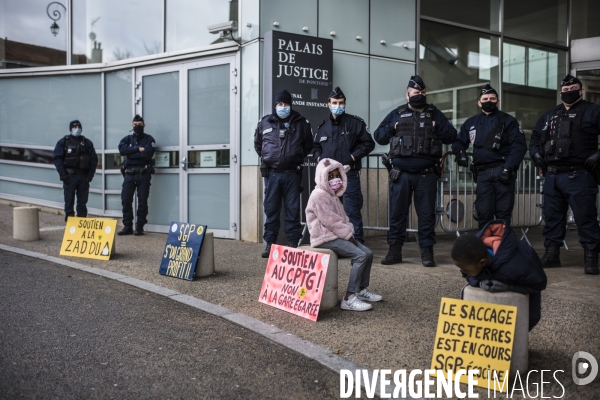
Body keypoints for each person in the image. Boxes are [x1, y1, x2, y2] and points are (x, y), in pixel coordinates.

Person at [374, 75, 457, 267]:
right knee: (397, 214)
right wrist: (393, 127)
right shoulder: (397, 114)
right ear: (407, 94)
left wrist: (437, 127)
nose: (418, 95)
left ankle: (427, 254)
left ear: (425, 93)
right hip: (400, 174)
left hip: (426, 174)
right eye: (415, 92)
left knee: (427, 215)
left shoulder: (435, 114)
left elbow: (452, 135)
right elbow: (379, 136)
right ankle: (394, 252)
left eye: (421, 92)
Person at [529, 74, 600, 275]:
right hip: (552, 176)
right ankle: (552, 255)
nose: (569, 93)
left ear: (581, 90)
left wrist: (598, 155)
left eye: (573, 89)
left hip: (580, 175)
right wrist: (535, 154)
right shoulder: (550, 114)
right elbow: (535, 137)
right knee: (552, 217)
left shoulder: (593, 111)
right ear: (560, 93)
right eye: (565, 91)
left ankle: (591, 258)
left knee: (585, 217)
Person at [306, 158, 383, 311]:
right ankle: (348, 298)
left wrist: (348, 231)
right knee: (360, 255)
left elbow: (343, 218)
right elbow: (331, 221)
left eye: (337, 175)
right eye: (330, 176)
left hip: (335, 234)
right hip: (324, 237)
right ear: (322, 177)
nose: (336, 180)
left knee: (368, 253)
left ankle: (360, 289)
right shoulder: (319, 195)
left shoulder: (332, 196)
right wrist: (349, 236)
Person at [452, 84, 527, 229]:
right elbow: (459, 142)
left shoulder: (508, 121)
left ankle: (501, 248)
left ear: (498, 101)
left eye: (492, 98)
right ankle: (486, 249)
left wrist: (508, 168)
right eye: (485, 98)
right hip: (482, 173)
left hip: (503, 171)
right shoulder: (471, 122)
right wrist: (460, 154)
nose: (489, 101)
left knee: (503, 213)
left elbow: (519, 146)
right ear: (479, 102)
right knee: (484, 212)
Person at [451, 220, 547, 331]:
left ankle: (515, 345)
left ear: (482, 263)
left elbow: (539, 284)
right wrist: (479, 281)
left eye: (466, 271)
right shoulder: (474, 252)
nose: (463, 273)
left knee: (531, 318)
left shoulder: (515, 267)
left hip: (527, 278)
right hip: (500, 269)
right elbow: (470, 276)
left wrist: (510, 287)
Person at [254, 89, 313, 258]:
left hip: (292, 174)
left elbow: (308, 146)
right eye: (280, 104)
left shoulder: (302, 122)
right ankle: (269, 244)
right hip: (272, 174)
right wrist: (269, 157)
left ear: (290, 105)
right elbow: (259, 145)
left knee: (292, 210)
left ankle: (293, 242)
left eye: (286, 104)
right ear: (275, 105)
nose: (283, 107)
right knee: (271, 209)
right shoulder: (265, 122)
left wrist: (294, 157)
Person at [313, 86, 375, 244]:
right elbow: (316, 147)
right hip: (328, 177)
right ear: (328, 104)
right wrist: (319, 158)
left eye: (341, 103)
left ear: (345, 104)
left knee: (352, 210)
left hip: (348, 173)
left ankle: (358, 245)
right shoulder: (323, 127)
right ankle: (337, 245)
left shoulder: (355, 123)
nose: (338, 106)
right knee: (330, 212)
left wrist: (353, 157)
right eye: (334, 102)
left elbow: (368, 143)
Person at [117, 114, 156, 236]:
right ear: (132, 126)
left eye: (139, 124)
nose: (137, 126)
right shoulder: (127, 139)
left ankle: (139, 226)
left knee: (142, 201)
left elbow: (147, 155)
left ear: (144, 125)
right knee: (125, 200)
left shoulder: (149, 139)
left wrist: (131, 151)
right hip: (129, 174)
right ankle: (128, 226)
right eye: (135, 124)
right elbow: (122, 151)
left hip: (143, 174)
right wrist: (137, 149)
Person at [53, 120, 98, 221]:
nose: (77, 129)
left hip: (83, 176)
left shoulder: (87, 143)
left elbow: (93, 160)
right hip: (69, 176)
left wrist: (90, 175)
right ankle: (70, 224)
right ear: (70, 129)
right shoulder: (64, 142)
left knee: (82, 202)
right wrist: (63, 174)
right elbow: (57, 158)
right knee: (69, 201)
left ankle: (81, 222)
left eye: (78, 127)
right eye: (74, 127)